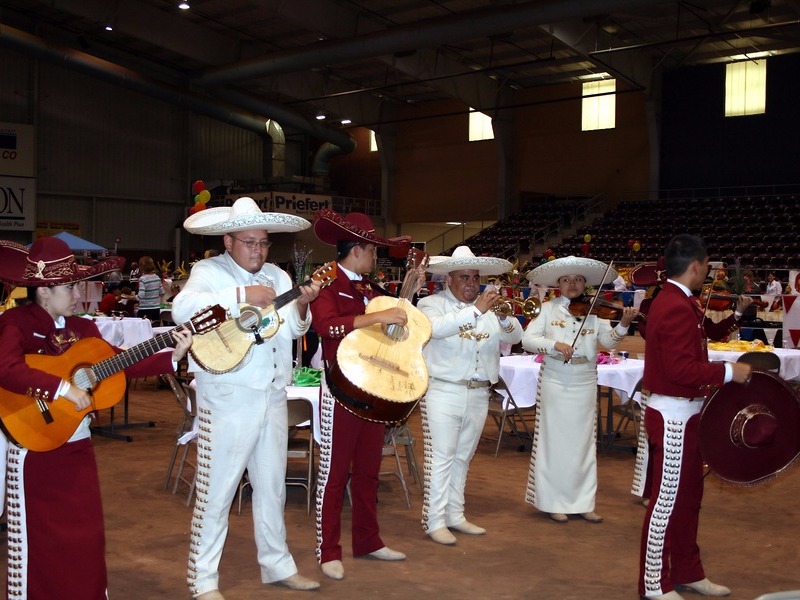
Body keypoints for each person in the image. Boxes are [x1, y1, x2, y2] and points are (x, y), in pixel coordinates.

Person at [0, 236, 192, 600]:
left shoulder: (84, 329)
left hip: (78, 447)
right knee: (39, 540)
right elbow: (6, 369)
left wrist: (171, 354)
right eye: (71, 286)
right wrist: (60, 388)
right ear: (45, 290)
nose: (79, 294)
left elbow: (119, 361)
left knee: (87, 537)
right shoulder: (16, 323)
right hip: (34, 450)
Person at [171, 197, 321, 599]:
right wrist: (241, 293)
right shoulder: (209, 271)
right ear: (229, 241)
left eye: (264, 242)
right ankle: (203, 579)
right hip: (227, 396)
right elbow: (182, 308)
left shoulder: (279, 276)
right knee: (217, 490)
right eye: (249, 241)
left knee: (271, 487)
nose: (258, 250)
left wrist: (302, 307)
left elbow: (291, 331)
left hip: (272, 395)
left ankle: (277, 565)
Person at [639, 234, 752, 600]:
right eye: (706, 266)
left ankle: (687, 570)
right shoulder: (673, 304)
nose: (706, 271)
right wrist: (726, 373)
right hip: (673, 413)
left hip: (684, 414)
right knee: (667, 502)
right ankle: (655, 584)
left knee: (688, 498)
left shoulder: (678, 300)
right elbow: (681, 369)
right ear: (696, 266)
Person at [310, 209, 418, 580]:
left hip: (372, 387)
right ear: (357, 250)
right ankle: (328, 550)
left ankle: (369, 540)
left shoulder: (372, 291)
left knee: (369, 471)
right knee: (335, 473)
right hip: (339, 388)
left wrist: (403, 301)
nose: (376, 257)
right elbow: (325, 327)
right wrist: (375, 317)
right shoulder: (326, 283)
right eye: (373, 251)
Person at [418, 246, 522, 545]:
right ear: (448, 279)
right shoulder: (431, 304)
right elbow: (435, 331)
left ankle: (455, 514)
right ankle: (434, 520)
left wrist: (502, 317)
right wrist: (477, 310)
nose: (471, 283)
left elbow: (516, 337)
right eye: (464, 277)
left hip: (478, 391)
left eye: (475, 277)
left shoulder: (489, 309)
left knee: (463, 457)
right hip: (443, 389)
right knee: (442, 458)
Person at [522, 256, 638, 523]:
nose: (572, 284)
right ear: (558, 284)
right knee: (555, 442)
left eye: (577, 279)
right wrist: (554, 346)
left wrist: (622, 324)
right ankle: (553, 501)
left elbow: (607, 342)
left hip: (585, 380)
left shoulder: (595, 311)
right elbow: (528, 339)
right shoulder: (547, 309)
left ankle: (583, 502)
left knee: (584, 443)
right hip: (556, 380)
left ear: (585, 284)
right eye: (566, 280)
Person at [135, 255, 164, 320]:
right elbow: (162, 293)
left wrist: (131, 297)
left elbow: (141, 296)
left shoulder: (142, 279)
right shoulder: (157, 278)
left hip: (144, 309)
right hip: (156, 309)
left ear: (141, 267)